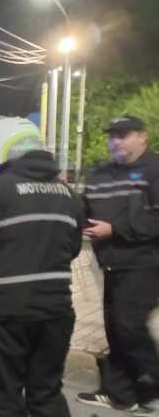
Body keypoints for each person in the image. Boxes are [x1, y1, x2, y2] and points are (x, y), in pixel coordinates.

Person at [0, 116, 84, 417]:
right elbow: (73, 248)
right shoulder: (67, 194)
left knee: (3, 397)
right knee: (46, 393)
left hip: (5, 314)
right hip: (56, 311)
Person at [77, 116, 159, 415]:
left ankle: (152, 383)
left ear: (142, 136)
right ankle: (122, 394)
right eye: (112, 136)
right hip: (110, 264)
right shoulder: (100, 173)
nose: (116, 141)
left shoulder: (155, 169)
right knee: (115, 328)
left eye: (123, 135)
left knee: (129, 325)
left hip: (146, 263)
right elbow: (82, 209)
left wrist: (115, 229)